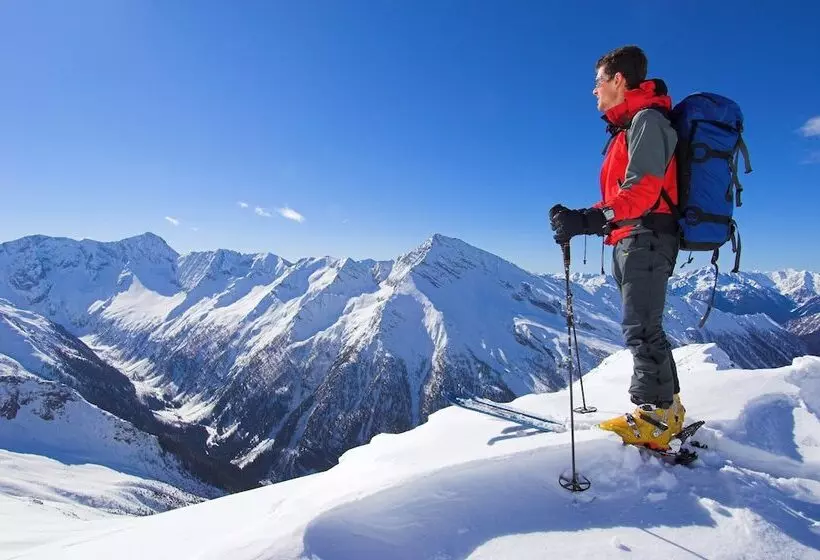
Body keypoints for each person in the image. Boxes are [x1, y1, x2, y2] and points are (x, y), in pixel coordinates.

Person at [549, 45, 685, 450]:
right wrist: (583, 216)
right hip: (632, 237)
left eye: (598, 82)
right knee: (647, 327)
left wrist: (591, 219)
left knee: (641, 329)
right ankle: (669, 408)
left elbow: (642, 190)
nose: (594, 91)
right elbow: (624, 195)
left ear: (618, 80)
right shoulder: (629, 128)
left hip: (646, 237)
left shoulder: (647, 121)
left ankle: (655, 417)